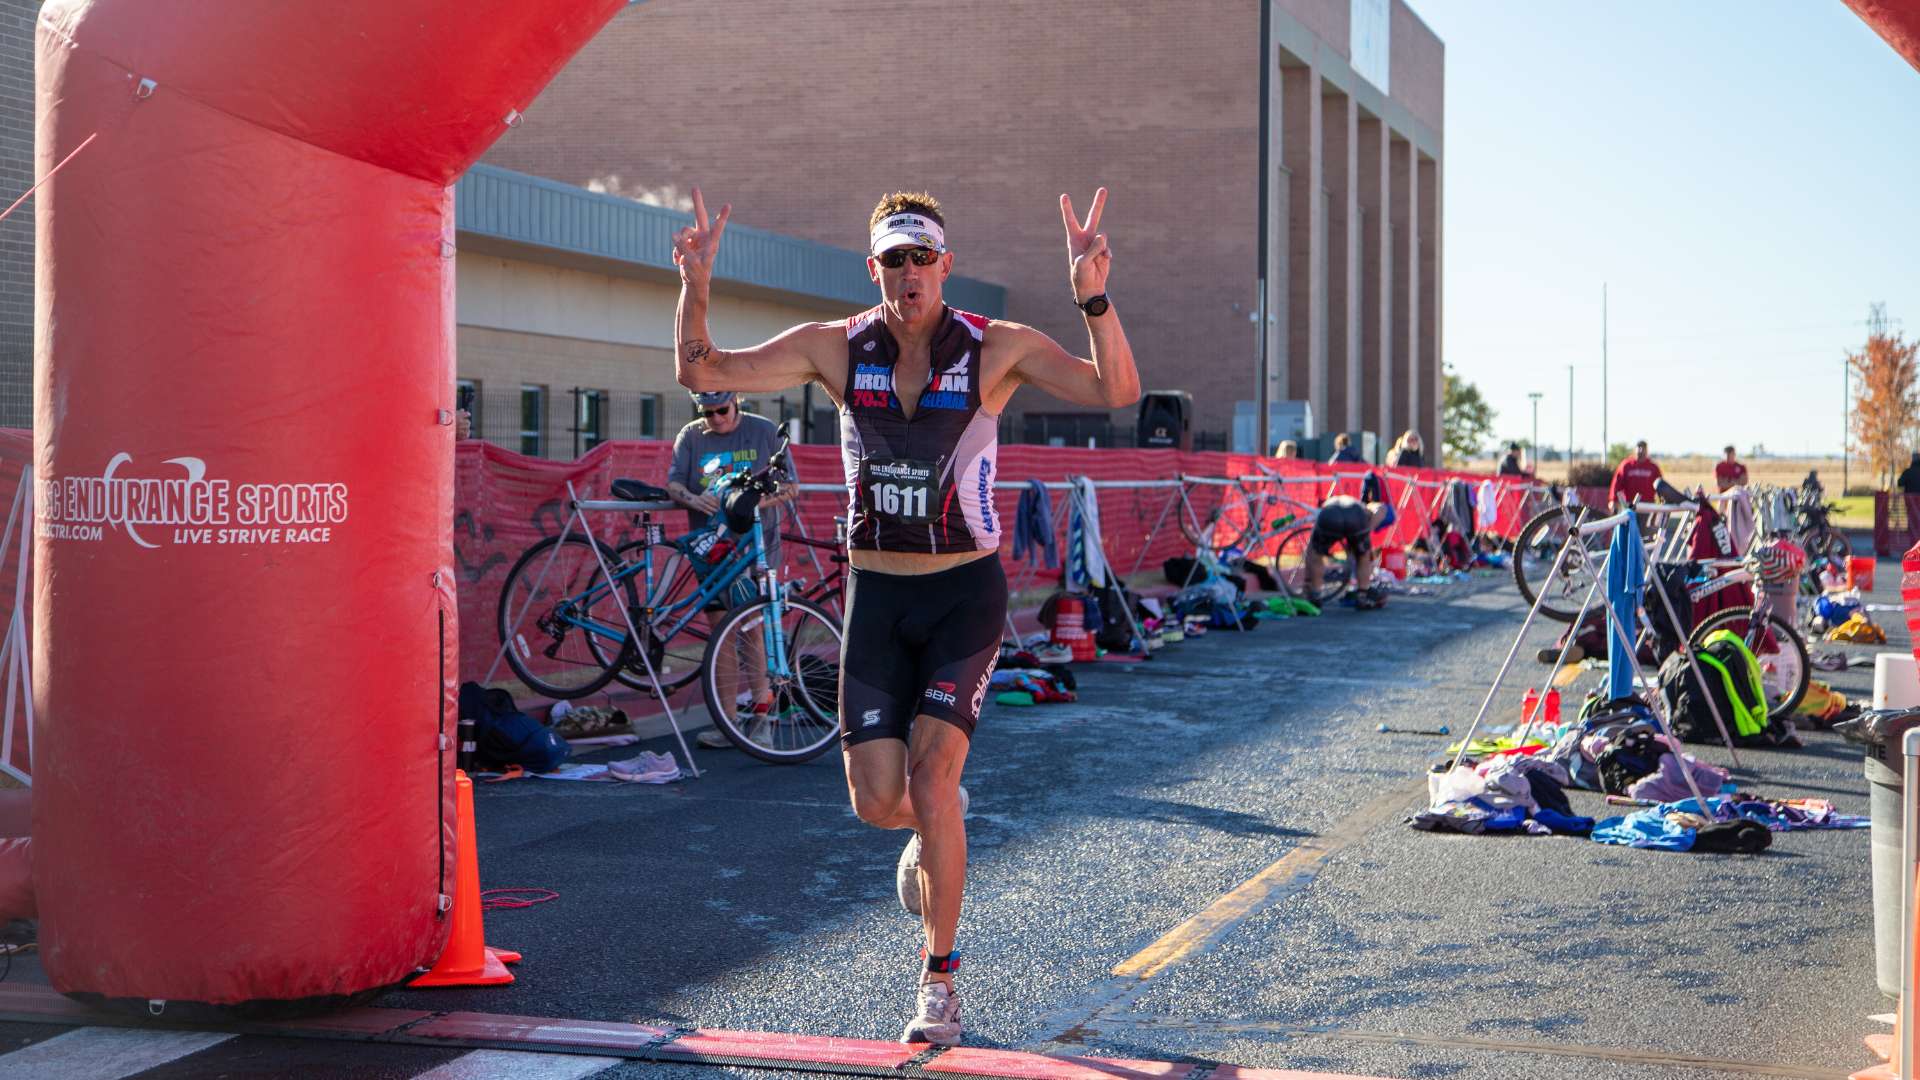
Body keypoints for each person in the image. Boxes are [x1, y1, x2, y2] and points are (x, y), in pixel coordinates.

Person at [671, 186, 1139, 1045]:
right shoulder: (836, 349)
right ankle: (938, 828)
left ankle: (940, 980)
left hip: (965, 593)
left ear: (946, 266)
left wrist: (1092, 297)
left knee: (933, 782)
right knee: (879, 800)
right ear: (875, 268)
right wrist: (696, 282)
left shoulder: (996, 348)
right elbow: (704, 369)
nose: (911, 273)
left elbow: (1116, 388)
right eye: (895, 258)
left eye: (924, 257)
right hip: (878, 595)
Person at [666, 389, 796, 749]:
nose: (716, 418)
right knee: (720, 630)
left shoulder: (763, 430)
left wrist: (747, 502)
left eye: (722, 410)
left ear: (737, 402)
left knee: (752, 632)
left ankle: (762, 719)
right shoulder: (691, 436)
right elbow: (674, 482)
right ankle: (727, 722)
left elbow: (790, 487)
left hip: (754, 548)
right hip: (711, 548)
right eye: (708, 413)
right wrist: (694, 499)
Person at [1304, 493, 1389, 609]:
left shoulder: (1329, 503)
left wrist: (1307, 580)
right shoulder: (1361, 505)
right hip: (1355, 517)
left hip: (1330, 516)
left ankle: (1316, 594)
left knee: (1316, 554)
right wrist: (1368, 531)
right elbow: (1382, 509)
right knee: (1363, 556)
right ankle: (1362, 595)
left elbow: (1310, 553)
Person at [1609, 440, 1663, 512]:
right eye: (1639, 448)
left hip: (1648, 505)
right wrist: (1613, 500)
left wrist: (1662, 500)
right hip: (1630, 504)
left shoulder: (1653, 467)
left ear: (1646, 451)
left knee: (1645, 523)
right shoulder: (1626, 465)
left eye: (1643, 448)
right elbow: (1616, 484)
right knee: (1631, 521)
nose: (1641, 451)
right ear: (1635, 450)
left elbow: (1660, 486)